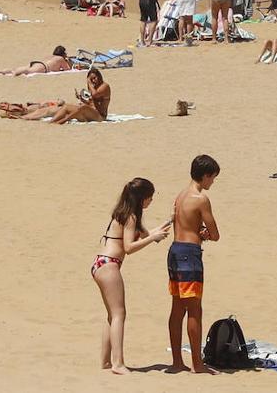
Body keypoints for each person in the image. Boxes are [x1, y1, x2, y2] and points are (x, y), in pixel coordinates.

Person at [92, 177, 172, 375]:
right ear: (142, 198)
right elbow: (128, 248)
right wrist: (153, 238)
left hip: (100, 264)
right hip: (109, 266)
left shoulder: (123, 213)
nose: (150, 201)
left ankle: (105, 361)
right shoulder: (131, 218)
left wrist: (170, 220)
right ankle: (118, 364)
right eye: (150, 198)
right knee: (119, 314)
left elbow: (147, 235)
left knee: (112, 315)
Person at [167, 154, 221, 375]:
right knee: (195, 310)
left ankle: (177, 361)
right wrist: (205, 235)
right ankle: (197, 364)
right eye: (213, 178)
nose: (212, 183)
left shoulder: (180, 196)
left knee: (177, 308)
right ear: (206, 175)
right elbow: (215, 233)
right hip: (189, 254)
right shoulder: (200, 198)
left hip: (174, 251)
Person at [48, 69, 112, 125]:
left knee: (83, 107)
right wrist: (81, 98)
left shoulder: (104, 86)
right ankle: (51, 122)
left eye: (95, 78)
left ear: (99, 76)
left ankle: (63, 121)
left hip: (100, 116)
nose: (93, 80)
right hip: (91, 112)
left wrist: (89, 83)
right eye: (91, 79)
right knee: (66, 106)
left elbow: (95, 95)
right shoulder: (94, 87)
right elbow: (91, 103)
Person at [0, 46, 71, 76]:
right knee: (28, 71)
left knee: (18, 68)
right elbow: (68, 70)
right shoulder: (60, 59)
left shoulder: (50, 56)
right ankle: (16, 73)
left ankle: (0, 71)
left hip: (37, 63)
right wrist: (67, 61)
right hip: (44, 67)